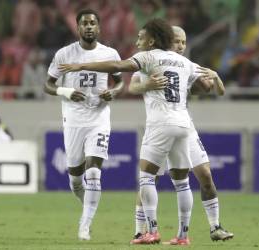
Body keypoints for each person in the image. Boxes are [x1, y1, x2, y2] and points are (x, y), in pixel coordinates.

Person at [59, 18, 212, 244]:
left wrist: (82, 65)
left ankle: (151, 231)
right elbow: (207, 87)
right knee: (182, 183)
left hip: (160, 124)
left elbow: (117, 66)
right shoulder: (183, 61)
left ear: (151, 40)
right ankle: (183, 236)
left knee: (147, 178)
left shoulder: (148, 56)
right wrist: (214, 77)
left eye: (141, 37)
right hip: (183, 124)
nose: (137, 41)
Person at [128, 26, 233, 245]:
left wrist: (214, 77)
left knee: (204, 174)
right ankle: (140, 231)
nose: (181, 46)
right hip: (160, 125)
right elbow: (133, 86)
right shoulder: (152, 60)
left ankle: (214, 227)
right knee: (150, 177)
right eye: (177, 41)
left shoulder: (186, 65)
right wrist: (148, 85)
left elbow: (208, 88)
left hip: (183, 126)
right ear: (166, 41)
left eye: (184, 42)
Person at [44, 9, 124, 241]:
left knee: (94, 173)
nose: (89, 27)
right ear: (78, 28)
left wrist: (112, 92)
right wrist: (66, 91)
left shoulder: (110, 54)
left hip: (99, 119)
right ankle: (88, 205)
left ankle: (84, 225)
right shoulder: (65, 54)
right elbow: (47, 85)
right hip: (73, 121)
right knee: (76, 179)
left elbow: (119, 83)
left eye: (92, 23)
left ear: (99, 27)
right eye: (84, 23)